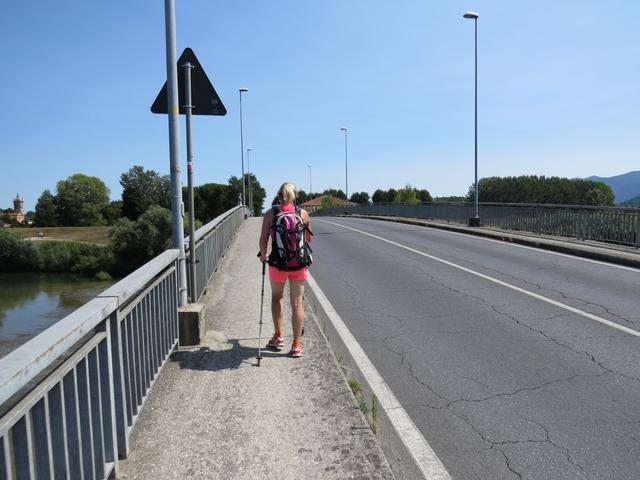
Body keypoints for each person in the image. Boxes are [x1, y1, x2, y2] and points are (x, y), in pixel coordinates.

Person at [259, 182, 312, 358]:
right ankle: (296, 345)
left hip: (278, 263)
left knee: (277, 298)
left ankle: (278, 336)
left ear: (278, 195)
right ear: (295, 195)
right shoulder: (303, 214)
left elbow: (263, 240)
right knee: (297, 303)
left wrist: (264, 256)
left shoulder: (271, 213)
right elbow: (308, 239)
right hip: (298, 263)